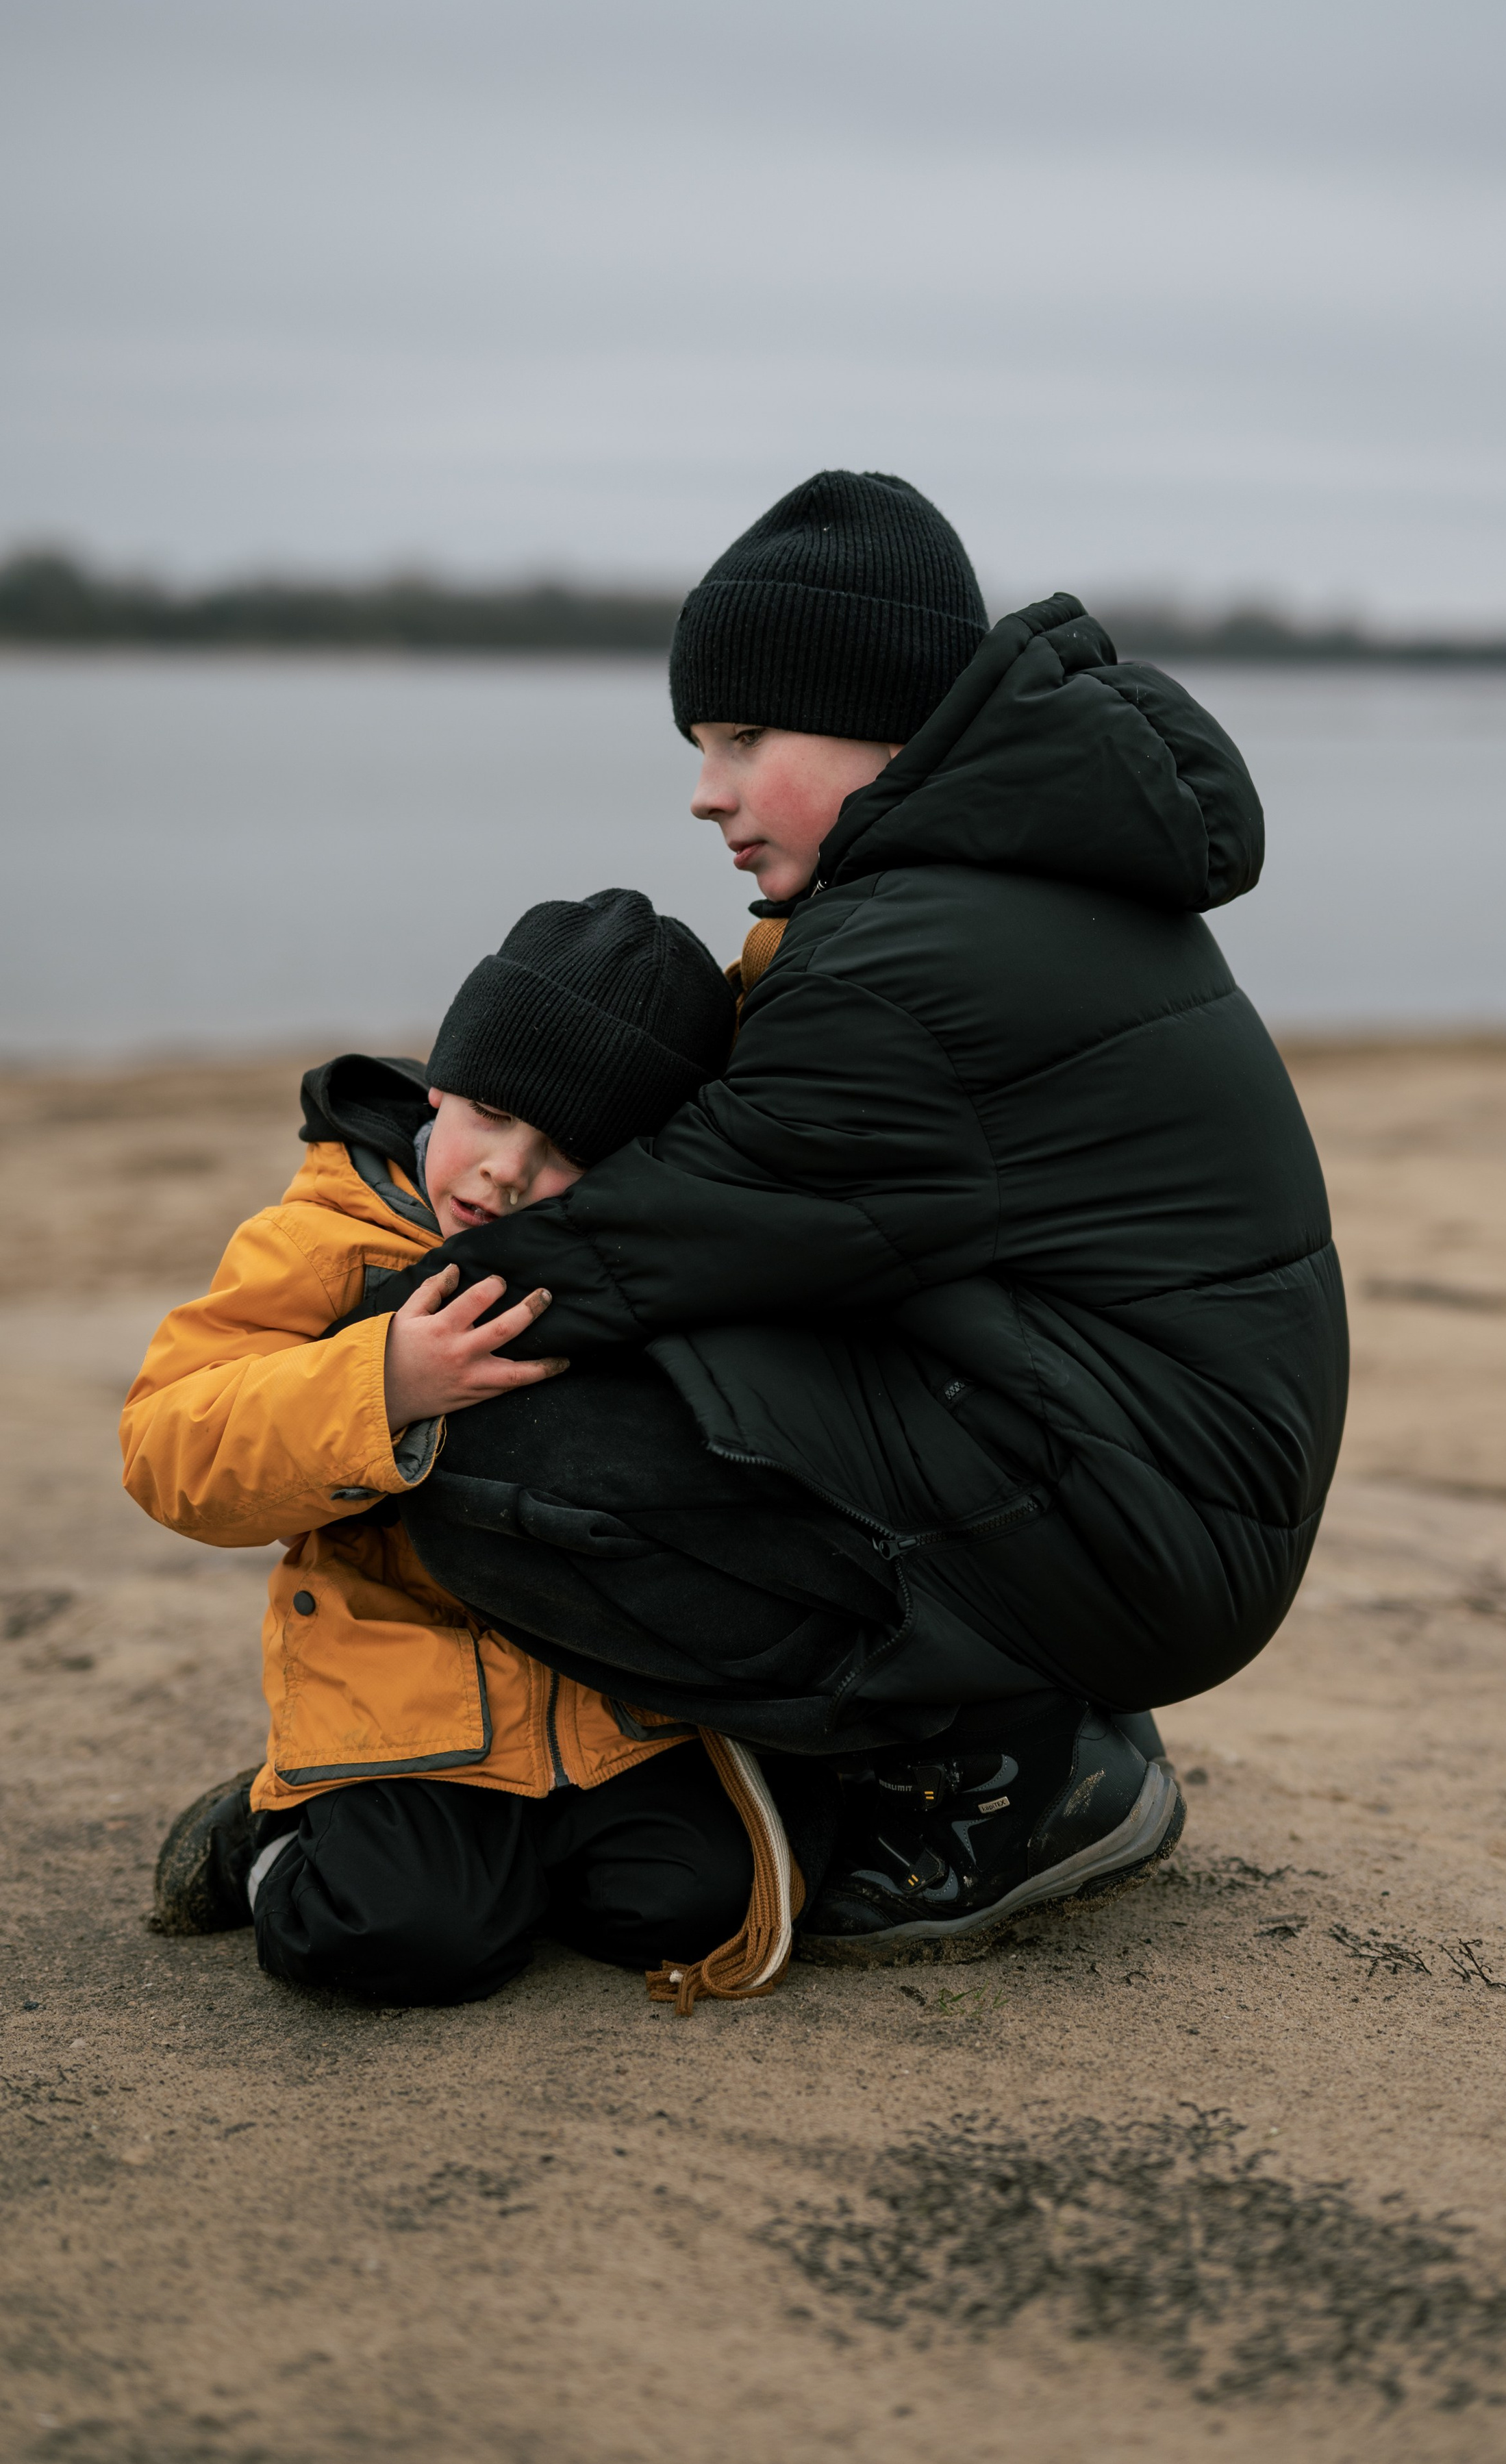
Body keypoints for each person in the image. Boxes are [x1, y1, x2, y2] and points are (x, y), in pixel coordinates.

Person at [349, 470, 1351, 1965]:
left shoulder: (908, 954)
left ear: (881, 722)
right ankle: (1012, 1707)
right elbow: (743, 1203)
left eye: (745, 739)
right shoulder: (987, 881)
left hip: (1137, 1516)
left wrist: (370, 1345)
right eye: (702, 745)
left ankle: (998, 1767)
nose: (707, 789)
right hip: (1133, 1467)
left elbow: (674, 1232)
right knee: (581, 1376)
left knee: (476, 1450)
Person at [123, 890, 805, 2010]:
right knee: (402, 1938)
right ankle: (267, 1836)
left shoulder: (632, 1267)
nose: (502, 1175)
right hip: (402, 1700)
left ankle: (507, 1868)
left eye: (566, 1152)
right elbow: (166, 1448)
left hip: (606, 1707)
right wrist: (381, 1382)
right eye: (491, 1112)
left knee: (699, 1905)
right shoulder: (326, 1241)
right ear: (440, 1076)